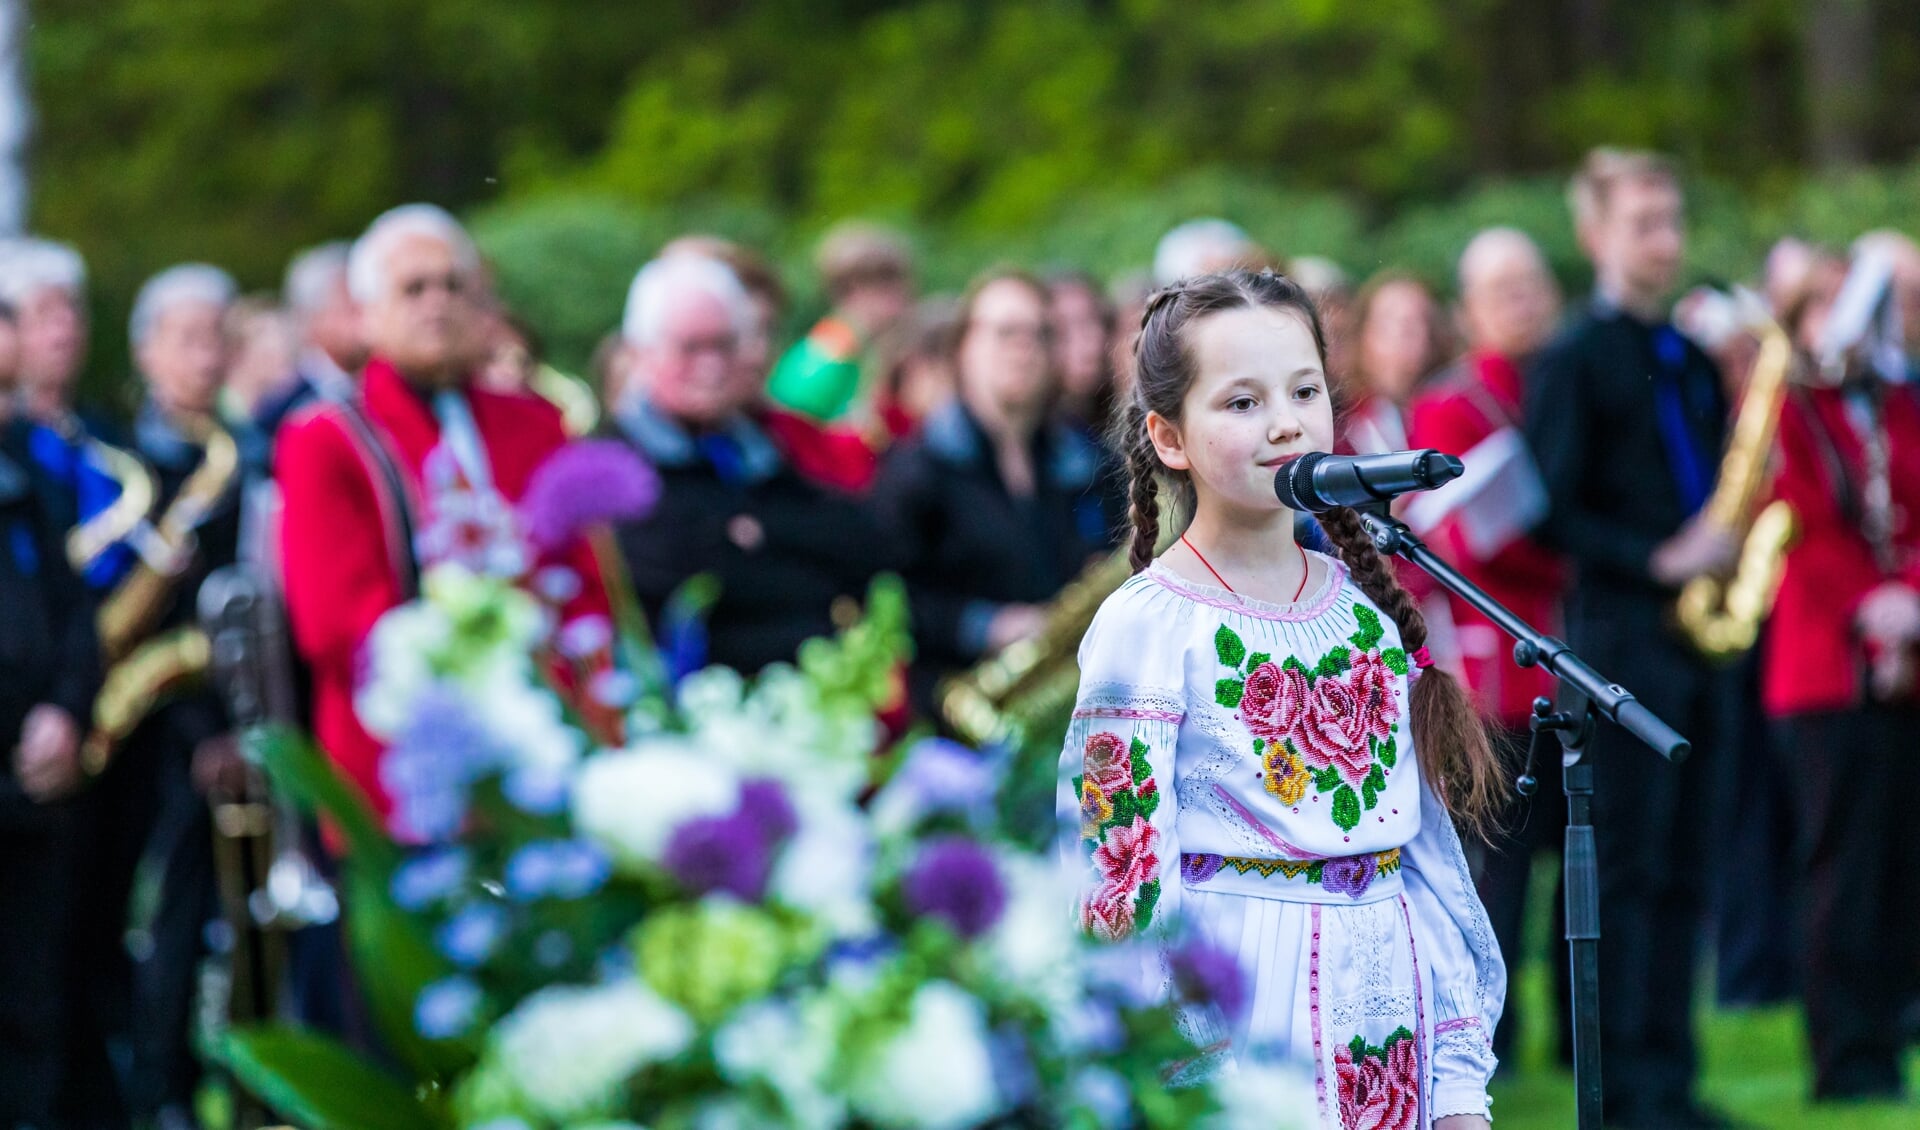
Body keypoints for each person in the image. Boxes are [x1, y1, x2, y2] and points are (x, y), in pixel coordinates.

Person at [1063, 268, 1503, 1126]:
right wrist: (1176, 1064)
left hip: (1388, 1006)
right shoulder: (1146, 625)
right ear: (1169, 436)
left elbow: (1422, 861)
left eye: (1305, 390)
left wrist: (1455, 1087)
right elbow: (1118, 873)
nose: (1287, 422)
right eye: (1241, 402)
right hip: (1241, 1016)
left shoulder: (1364, 615)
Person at [1523, 148, 1739, 1129]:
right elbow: (1549, 506)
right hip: (1617, 641)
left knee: (1688, 862)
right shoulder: (1573, 359)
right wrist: (1658, 556)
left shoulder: (1691, 358)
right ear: (1595, 235)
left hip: (1698, 639)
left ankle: (1675, 1081)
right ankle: (1626, 1094)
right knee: (1630, 866)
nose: (1664, 239)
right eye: (1643, 221)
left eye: (1671, 219)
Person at [276, 204, 608, 824]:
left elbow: (588, 585)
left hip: (551, 747)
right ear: (366, 314)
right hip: (403, 767)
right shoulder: (326, 439)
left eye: (456, 285)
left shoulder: (537, 423)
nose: (438, 303)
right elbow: (338, 628)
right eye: (414, 288)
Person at [80, 264, 248, 1127]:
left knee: (186, 910)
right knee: (105, 908)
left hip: (194, 715)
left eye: (217, 337)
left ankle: (170, 1088)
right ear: (146, 350)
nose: (205, 356)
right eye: (186, 338)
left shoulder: (235, 459)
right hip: (118, 715)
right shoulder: (111, 457)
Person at [1406, 227, 1568, 1066]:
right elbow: (1451, 534)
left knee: (1578, 865)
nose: (1522, 302)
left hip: (1571, 651)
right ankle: (1488, 1039)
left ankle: (1579, 1037)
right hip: (1492, 666)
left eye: (1532, 283)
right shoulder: (1451, 402)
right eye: (1501, 289)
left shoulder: (1564, 378)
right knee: (1496, 868)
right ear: (1468, 311)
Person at [1763, 249, 1920, 1102]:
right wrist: (1874, 606)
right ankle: (1842, 1055)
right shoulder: (1791, 407)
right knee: (1841, 864)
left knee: (1897, 864)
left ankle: (1887, 1041)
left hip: (1906, 657)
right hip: (1827, 667)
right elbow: (1804, 523)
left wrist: (1912, 597)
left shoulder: (1896, 402)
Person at [608, 254, 883, 677]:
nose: (711, 365)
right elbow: (677, 591)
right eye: (690, 347)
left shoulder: (763, 443)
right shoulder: (613, 460)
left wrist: (757, 534)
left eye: (725, 344)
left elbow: (855, 542)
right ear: (640, 353)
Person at [871, 269, 1121, 713]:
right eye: (1006, 332)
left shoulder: (1088, 459)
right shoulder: (914, 469)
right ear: (963, 348)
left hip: (1073, 701)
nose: (1024, 348)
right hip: (956, 707)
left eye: (1041, 333)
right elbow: (888, 598)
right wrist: (989, 626)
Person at [0, 297, 99, 1130]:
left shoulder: (32, 469)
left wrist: (66, 712)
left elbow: (73, 613)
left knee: (36, 999)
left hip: (33, 775)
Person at [765, 221, 915, 424]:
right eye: (888, 283)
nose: (903, 296)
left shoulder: (861, 350)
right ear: (854, 287)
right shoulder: (826, 356)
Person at [253, 241, 365, 444]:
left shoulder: (394, 385)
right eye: (348, 305)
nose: (363, 315)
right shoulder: (280, 413)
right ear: (311, 318)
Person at [1341, 272, 1449, 454]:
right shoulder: (1345, 428)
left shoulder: (1451, 411)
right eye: (1388, 320)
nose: (1403, 330)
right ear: (1362, 336)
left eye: (1416, 320)